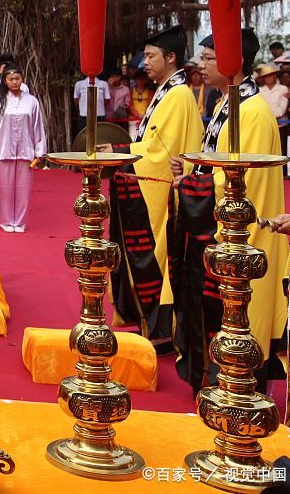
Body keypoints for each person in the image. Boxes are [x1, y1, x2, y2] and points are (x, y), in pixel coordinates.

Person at [171, 28, 286, 395]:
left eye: (208, 58)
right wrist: (191, 176)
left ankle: (238, 397)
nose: (202, 66)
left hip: (245, 238)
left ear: (233, 63)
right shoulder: (228, 104)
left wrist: (193, 186)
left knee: (240, 322)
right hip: (223, 236)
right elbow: (219, 170)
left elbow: (238, 184)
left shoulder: (251, 111)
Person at [102, 25, 202, 351]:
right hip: (151, 184)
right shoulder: (166, 91)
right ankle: (151, 323)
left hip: (161, 191)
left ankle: (162, 329)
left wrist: (121, 155)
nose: (144, 62)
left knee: (159, 258)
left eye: (150, 56)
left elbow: (162, 152)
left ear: (170, 57)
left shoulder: (178, 96)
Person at [0, 67, 47, 233]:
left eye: (17, 78)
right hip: (4, 150)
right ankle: (7, 220)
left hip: (26, 150)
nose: (14, 82)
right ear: (5, 81)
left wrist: (39, 151)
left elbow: (38, 127)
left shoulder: (32, 101)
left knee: (23, 188)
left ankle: (20, 221)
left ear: (22, 79)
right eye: (11, 79)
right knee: (5, 187)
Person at [257, 64, 288, 148]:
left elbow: (282, 110)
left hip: (280, 126)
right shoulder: (259, 90)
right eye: (266, 76)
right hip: (264, 125)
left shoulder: (283, 88)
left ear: (275, 76)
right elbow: (259, 108)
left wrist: (269, 116)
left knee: (281, 150)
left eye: (270, 75)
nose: (268, 78)